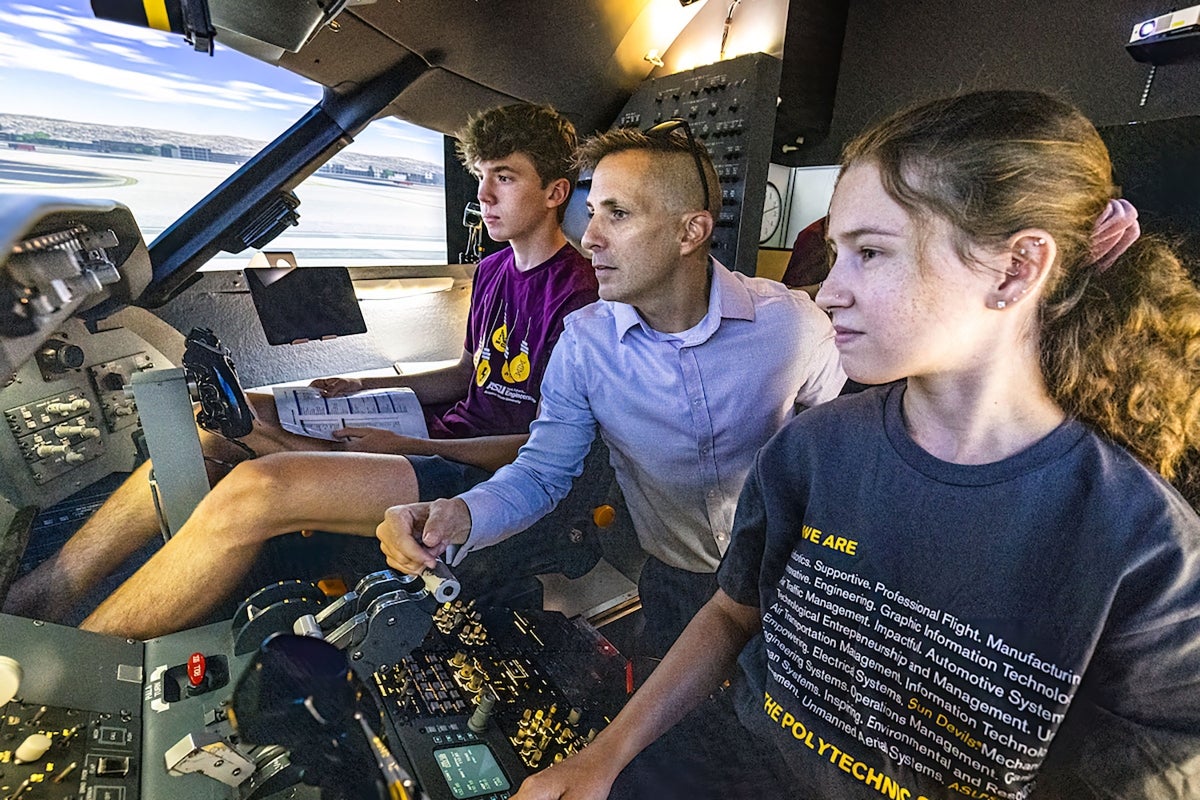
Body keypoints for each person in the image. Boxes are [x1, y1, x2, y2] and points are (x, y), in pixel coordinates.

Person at [511, 90, 1200, 800]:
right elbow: (730, 613)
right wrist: (604, 758)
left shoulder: (1146, 552)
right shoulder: (812, 449)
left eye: (870, 252)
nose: (830, 292)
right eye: (837, 252)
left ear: (1017, 269)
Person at [3, 102, 599, 637]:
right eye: (479, 177)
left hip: (483, 473)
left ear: (554, 193)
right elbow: (468, 374)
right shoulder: (495, 271)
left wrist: (407, 443)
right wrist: (367, 384)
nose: (485, 196)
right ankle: (37, 599)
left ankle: (78, 670)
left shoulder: (582, 293)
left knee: (255, 490)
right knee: (213, 424)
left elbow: (541, 450)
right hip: (437, 431)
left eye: (505, 177)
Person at [376, 122, 846, 660]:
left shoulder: (791, 324)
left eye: (617, 214)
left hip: (795, 580)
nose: (590, 236)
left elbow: (845, 447)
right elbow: (542, 474)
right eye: (592, 211)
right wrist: (458, 513)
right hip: (676, 582)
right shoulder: (584, 343)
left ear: (690, 232)